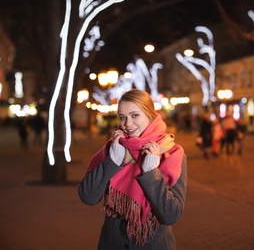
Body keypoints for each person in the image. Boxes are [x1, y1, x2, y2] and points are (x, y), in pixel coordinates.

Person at [78, 89, 187, 249]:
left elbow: (171, 214)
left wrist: (151, 172)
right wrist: (113, 162)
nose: (127, 124)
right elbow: (88, 197)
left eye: (135, 115)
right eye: (122, 117)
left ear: (150, 115)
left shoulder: (172, 154)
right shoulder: (114, 148)